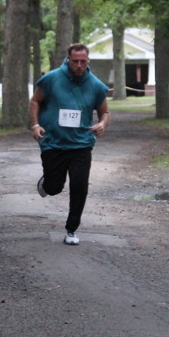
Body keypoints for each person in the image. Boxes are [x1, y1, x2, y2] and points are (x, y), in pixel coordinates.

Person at [29, 43, 110, 245]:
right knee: (54, 187)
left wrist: (102, 124)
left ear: (88, 60)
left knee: (79, 186)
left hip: (81, 144)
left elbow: (105, 113)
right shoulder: (51, 79)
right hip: (53, 142)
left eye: (83, 61)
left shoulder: (96, 85)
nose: (79, 65)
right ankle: (47, 182)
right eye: (75, 61)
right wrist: (35, 125)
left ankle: (71, 230)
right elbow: (35, 100)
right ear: (68, 60)